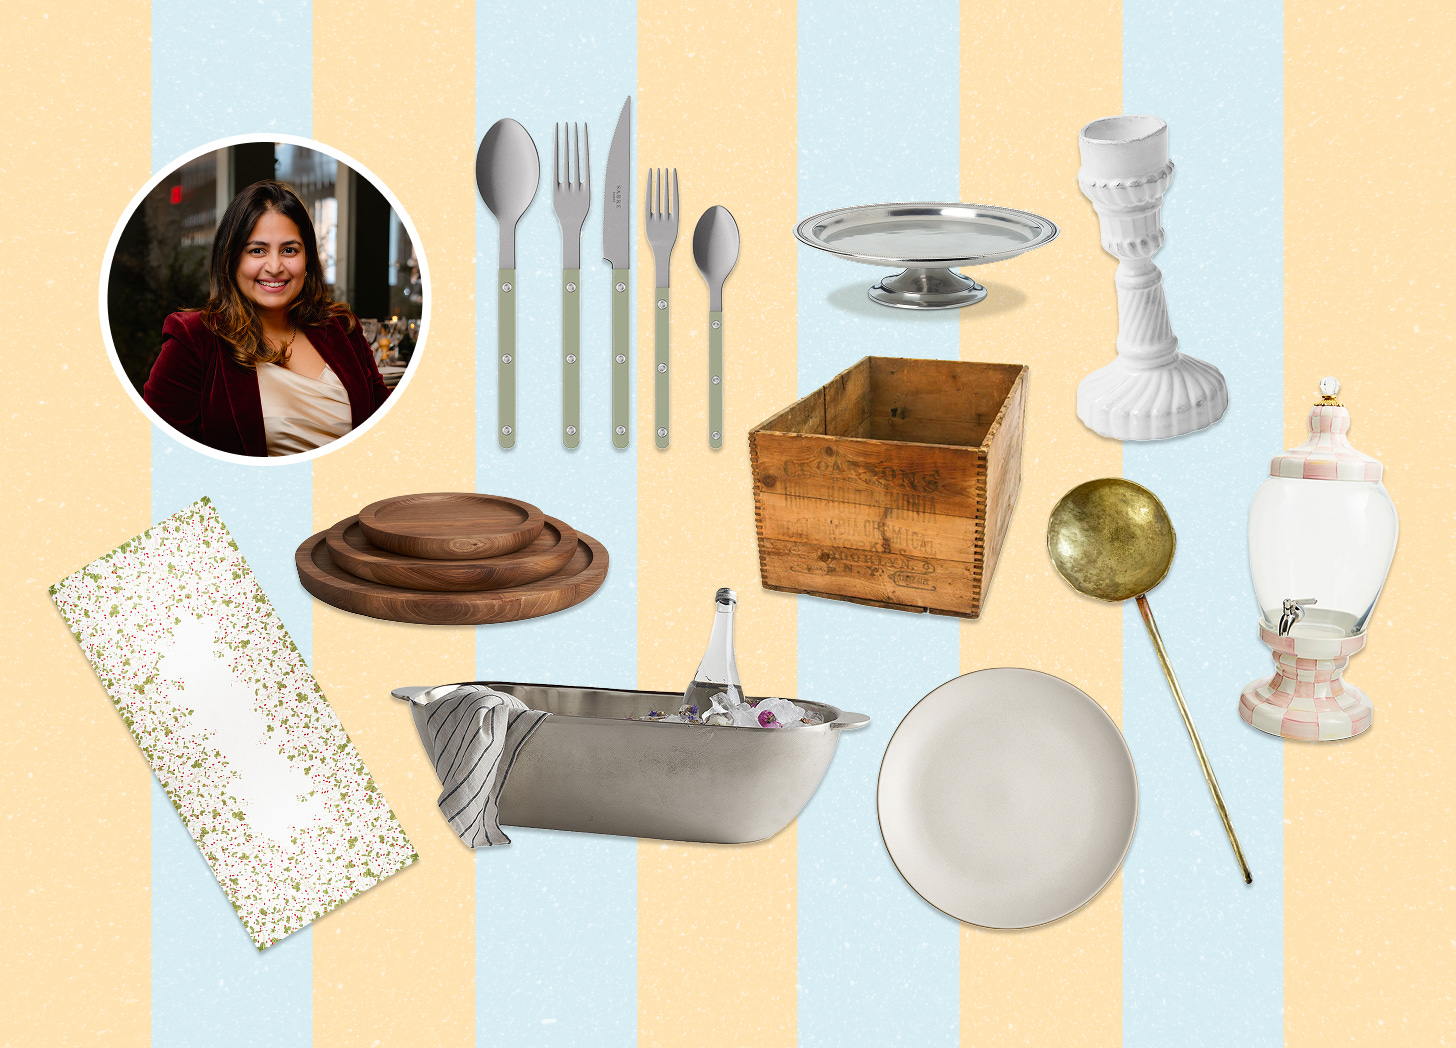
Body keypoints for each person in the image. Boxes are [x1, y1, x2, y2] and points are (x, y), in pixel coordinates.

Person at [144, 179, 391, 457]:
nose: (275, 267)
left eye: (289, 250)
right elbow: (156, 451)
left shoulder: (341, 328)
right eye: (257, 250)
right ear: (232, 258)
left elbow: (387, 427)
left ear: (307, 258)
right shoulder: (194, 339)